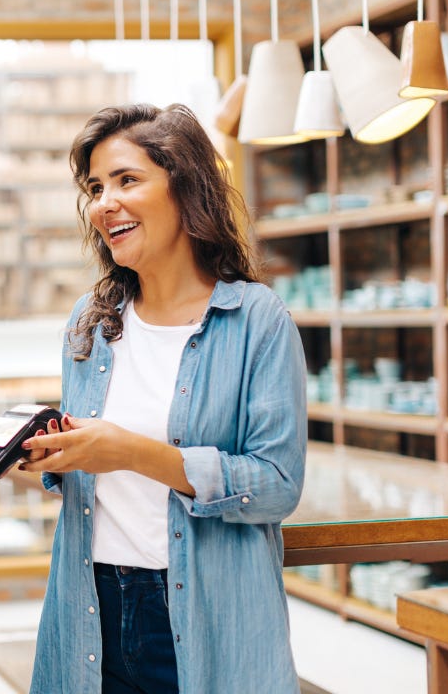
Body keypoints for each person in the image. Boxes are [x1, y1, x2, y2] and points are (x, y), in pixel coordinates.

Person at [20, 103, 308, 693]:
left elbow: (276, 484)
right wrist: (35, 454)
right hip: (90, 601)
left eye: (128, 180)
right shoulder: (91, 322)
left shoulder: (258, 320)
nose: (105, 203)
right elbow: (87, 470)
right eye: (96, 188)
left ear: (186, 189)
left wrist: (129, 451)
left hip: (200, 608)